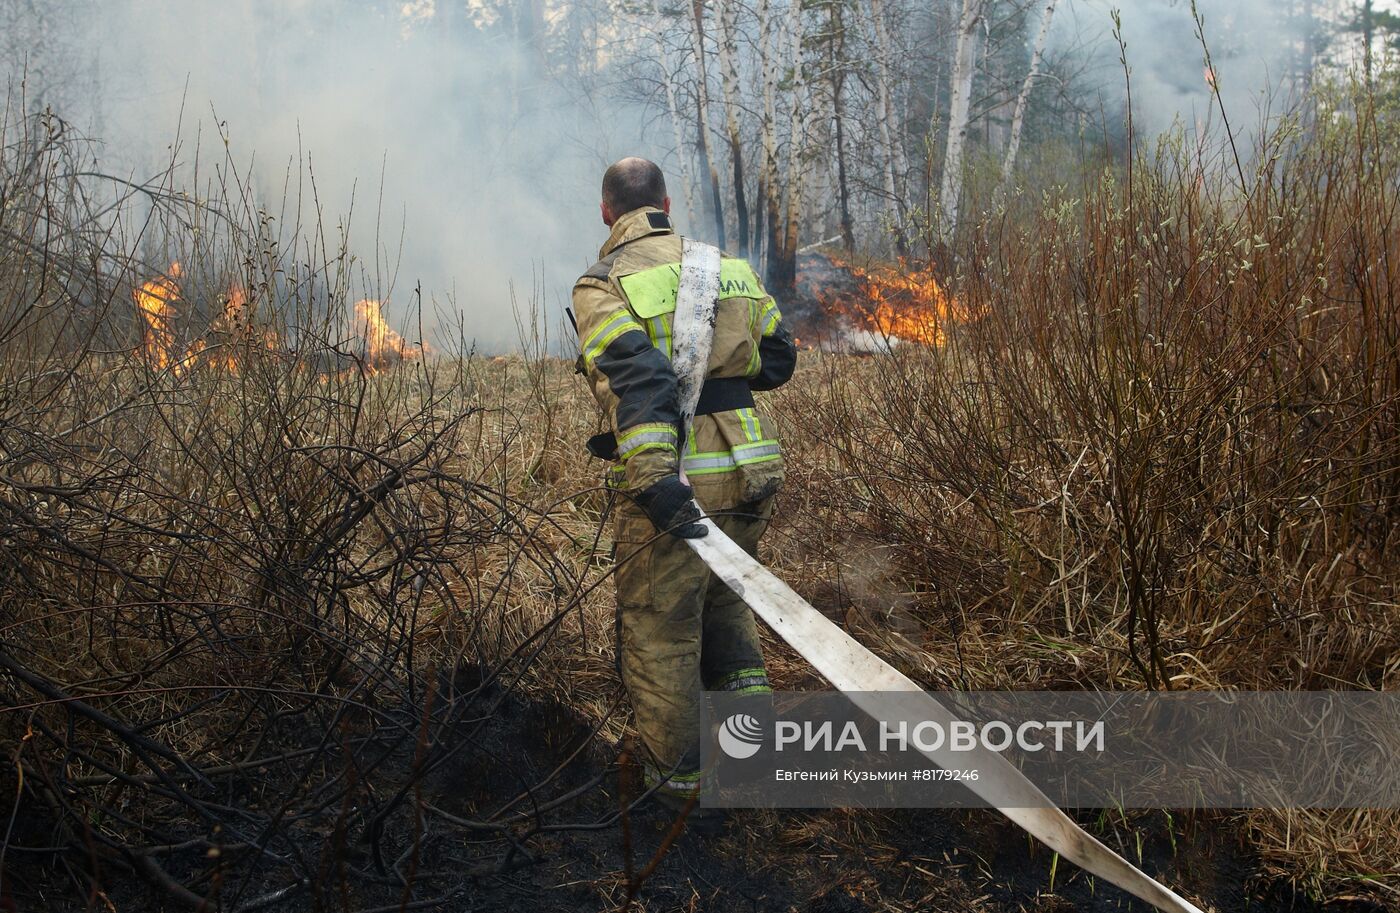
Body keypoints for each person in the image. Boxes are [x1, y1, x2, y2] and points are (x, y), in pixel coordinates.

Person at [571, 157, 797, 803]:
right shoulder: (726, 265)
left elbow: (637, 382)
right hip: (751, 473)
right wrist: (723, 368)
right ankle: (750, 773)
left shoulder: (601, 282)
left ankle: (679, 799)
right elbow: (778, 359)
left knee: (662, 632)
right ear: (666, 202)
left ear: (607, 212)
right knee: (728, 611)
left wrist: (653, 478)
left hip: (677, 483)